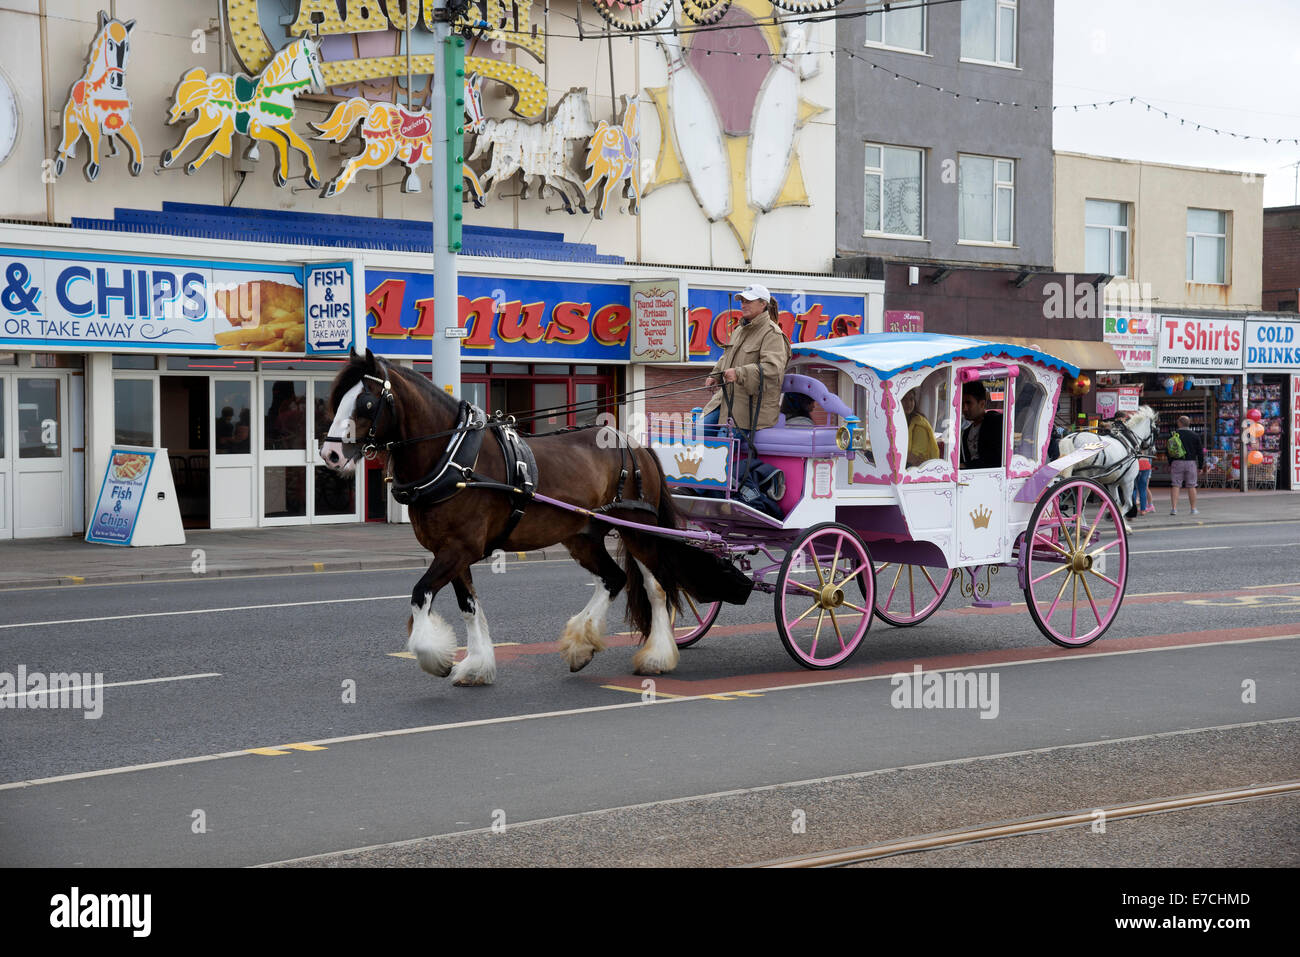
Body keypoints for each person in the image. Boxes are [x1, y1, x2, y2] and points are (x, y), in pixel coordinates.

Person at [700, 283, 791, 437]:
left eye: (748, 301)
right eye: (742, 301)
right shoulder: (739, 330)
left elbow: (773, 369)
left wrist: (739, 373)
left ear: (763, 304)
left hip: (749, 411)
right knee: (696, 432)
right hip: (726, 401)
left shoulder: (772, 334)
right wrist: (715, 375)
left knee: (722, 447)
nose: (743, 305)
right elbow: (726, 357)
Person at [960, 380, 1003, 469]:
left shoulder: (995, 422)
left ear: (982, 404)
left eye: (968, 403)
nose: (964, 408)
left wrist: (965, 465)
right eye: (962, 403)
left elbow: (995, 460)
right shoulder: (966, 432)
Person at [1168, 414, 1204, 515]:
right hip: (1191, 463)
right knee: (1192, 486)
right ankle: (1193, 509)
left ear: (1179, 423)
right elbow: (1200, 452)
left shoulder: (1174, 435)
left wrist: (1171, 462)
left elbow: (1169, 450)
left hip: (1177, 462)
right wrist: (1200, 466)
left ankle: (1174, 509)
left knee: (1175, 485)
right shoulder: (1195, 436)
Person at [902, 389, 939, 466]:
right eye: (904, 399)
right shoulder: (895, 422)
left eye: (911, 399)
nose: (908, 403)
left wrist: (903, 456)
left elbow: (916, 459)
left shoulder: (919, 424)